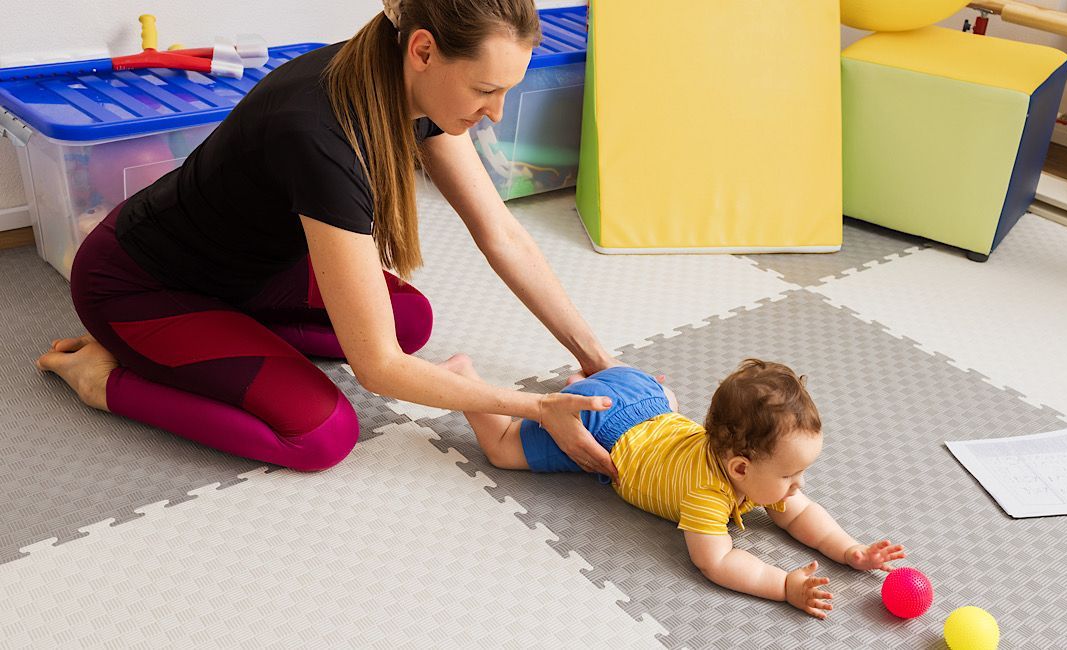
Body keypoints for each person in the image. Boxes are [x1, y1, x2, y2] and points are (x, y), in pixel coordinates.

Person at [35, 0, 629, 476]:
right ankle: (101, 380)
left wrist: (597, 359)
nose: (497, 112)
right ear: (424, 49)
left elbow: (499, 232)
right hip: (144, 285)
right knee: (322, 435)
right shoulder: (322, 135)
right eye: (484, 90)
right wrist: (533, 409)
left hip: (253, 271)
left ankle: (217, 339)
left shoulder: (403, 81)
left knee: (409, 320)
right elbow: (377, 370)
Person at [444, 355, 906, 619]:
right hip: (605, 426)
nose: (798, 486)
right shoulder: (706, 492)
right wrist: (782, 585)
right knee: (504, 449)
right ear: (740, 469)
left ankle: (591, 383)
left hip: (646, 392)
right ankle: (462, 377)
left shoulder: (754, 472)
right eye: (789, 476)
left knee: (665, 404)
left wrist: (851, 551)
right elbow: (717, 561)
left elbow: (804, 515)